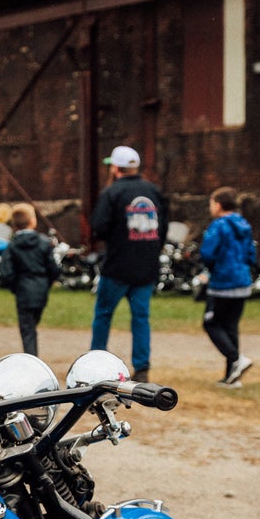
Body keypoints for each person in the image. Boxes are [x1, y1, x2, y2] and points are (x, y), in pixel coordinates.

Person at [89, 145, 168, 383]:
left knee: (103, 314)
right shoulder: (153, 191)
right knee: (141, 317)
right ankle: (142, 368)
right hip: (145, 268)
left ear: (115, 167)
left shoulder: (112, 193)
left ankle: (95, 364)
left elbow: (98, 227)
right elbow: (162, 229)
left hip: (117, 267)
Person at [199, 187, 256, 385]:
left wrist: (210, 270)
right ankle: (232, 377)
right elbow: (251, 254)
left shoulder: (218, 226)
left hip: (223, 283)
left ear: (218, 204)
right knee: (230, 327)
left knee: (211, 324)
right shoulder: (244, 224)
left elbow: (207, 253)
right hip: (242, 281)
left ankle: (237, 359)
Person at [0, 202, 59, 357]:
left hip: (23, 291)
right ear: (33, 221)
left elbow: (6, 272)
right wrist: (48, 282)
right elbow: (53, 268)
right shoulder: (44, 243)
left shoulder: (12, 246)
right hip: (41, 291)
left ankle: (32, 359)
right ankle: (32, 354)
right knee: (32, 325)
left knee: (27, 329)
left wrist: (14, 286)